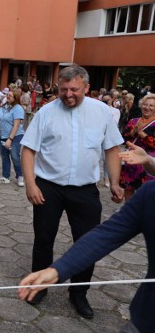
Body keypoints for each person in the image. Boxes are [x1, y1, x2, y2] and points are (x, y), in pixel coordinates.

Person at [20, 64, 124, 319]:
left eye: (74, 89)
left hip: (85, 190)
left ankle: (79, 293)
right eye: (64, 89)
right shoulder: (46, 112)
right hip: (48, 188)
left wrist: (115, 182)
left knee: (88, 243)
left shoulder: (102, 113)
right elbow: (28, 149)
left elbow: (111, 149)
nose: (68, 94)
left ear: (86, 88)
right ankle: (39, 285)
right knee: (44, 238)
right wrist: (31, 183)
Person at [18, 176, 155, 333]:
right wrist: (57, 270)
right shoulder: (150, 194)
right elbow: (106, 234)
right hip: (146, 330)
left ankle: (79, 294)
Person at [119, 93, 155, 202]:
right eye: (145, 104)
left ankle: (144, 212)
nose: (147, 107)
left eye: (151, 106)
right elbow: (123, 139)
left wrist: (141, 133)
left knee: (146, 190)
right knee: (129, 186)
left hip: (147, 162)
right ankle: (129, 209)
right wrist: (133, 132)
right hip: (132, 160)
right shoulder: (133, 121)